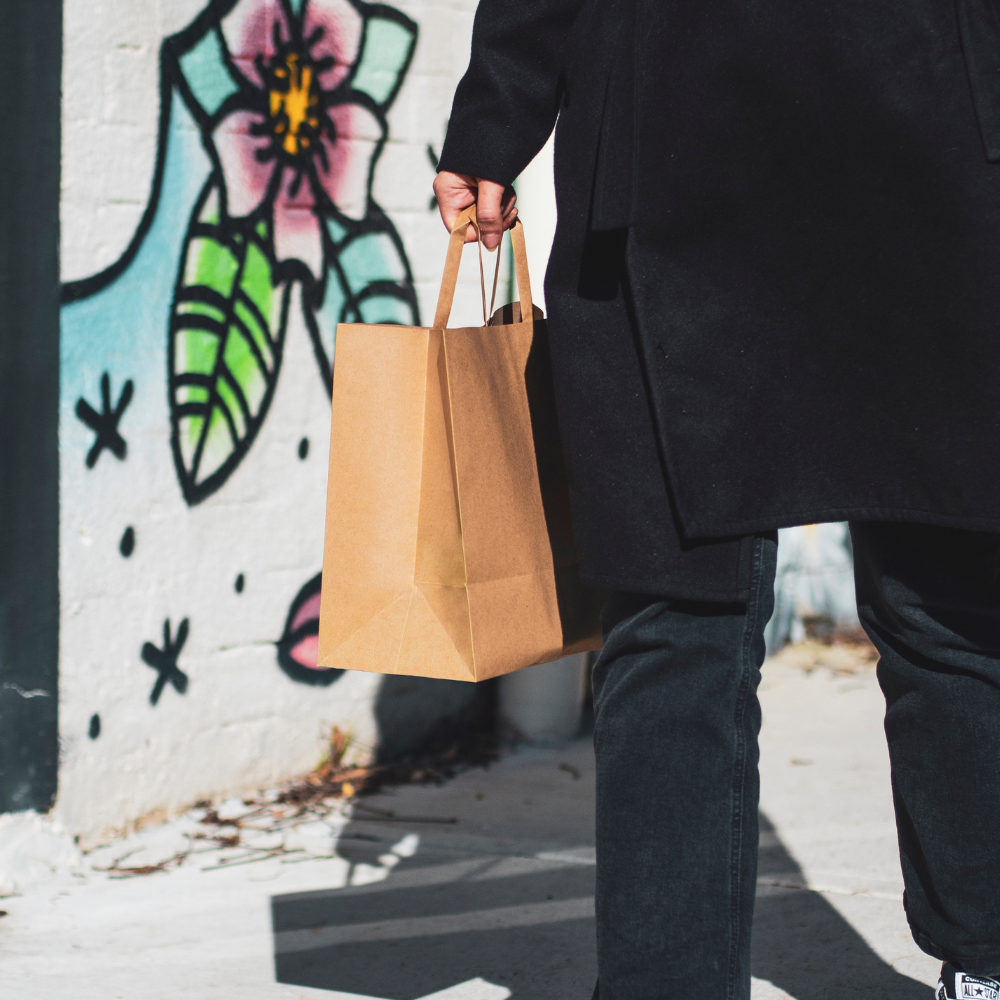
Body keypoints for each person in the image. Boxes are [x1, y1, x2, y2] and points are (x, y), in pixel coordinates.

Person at [432, 1, 1000, 998]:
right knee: (700, 611)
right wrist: (497, 108)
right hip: (772, 138)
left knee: (927, 594)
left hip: (874, 128)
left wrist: (499, 108)